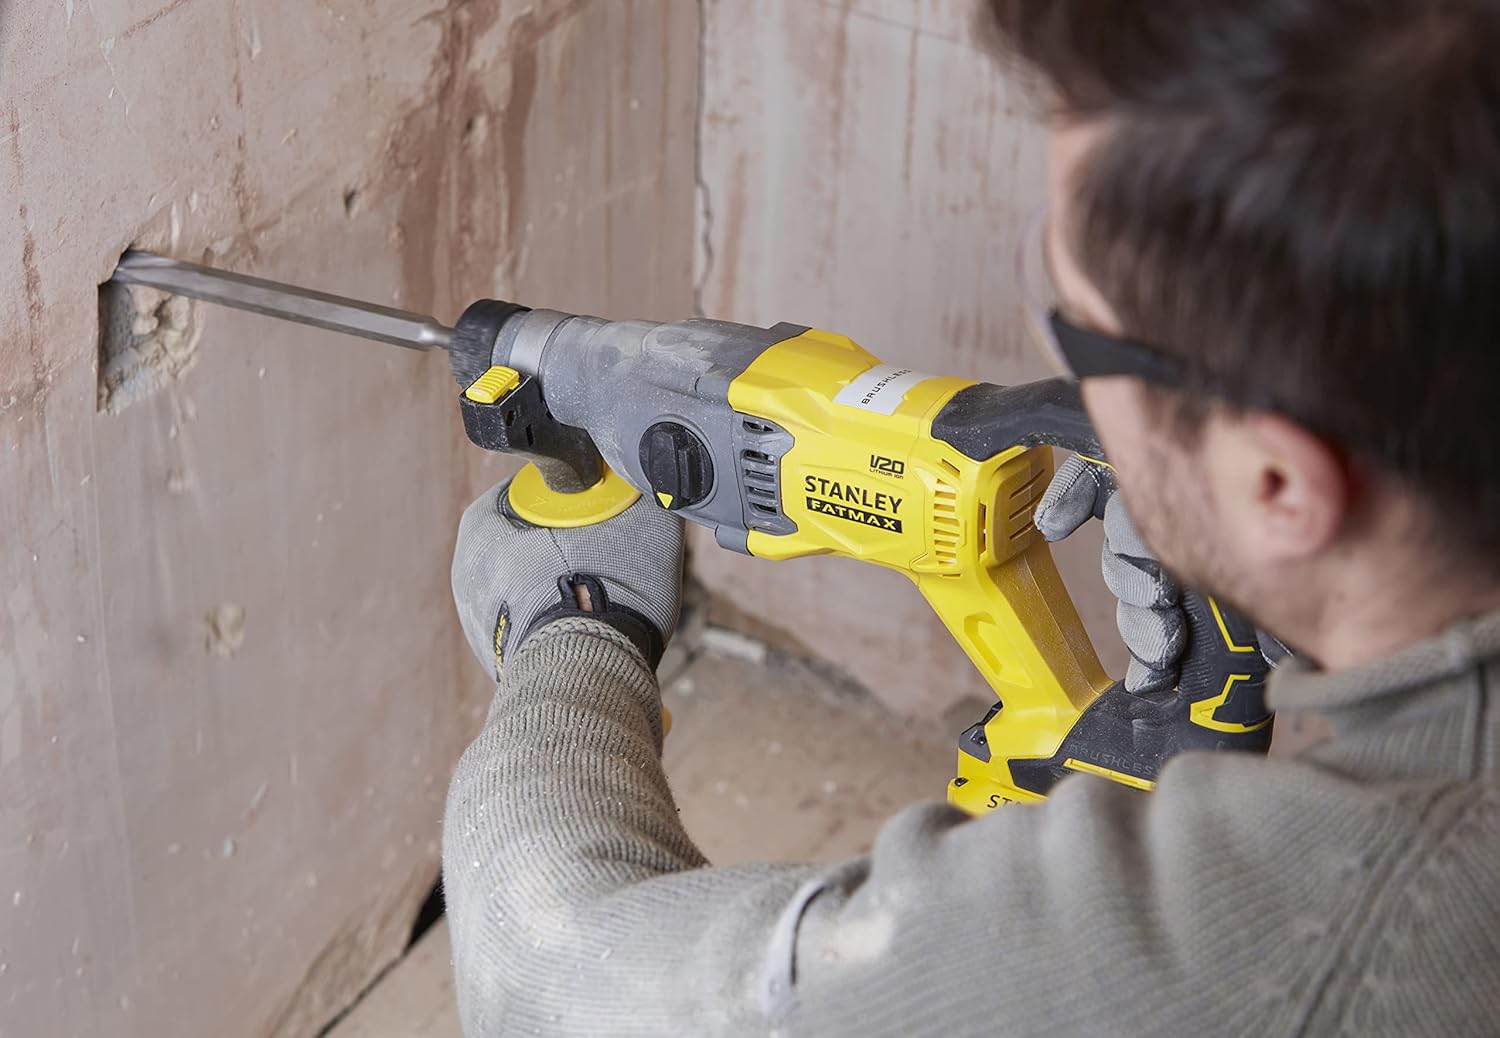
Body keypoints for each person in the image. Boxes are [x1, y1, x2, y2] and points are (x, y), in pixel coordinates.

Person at [443, 1, 1500, 1034]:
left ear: (1279, 484)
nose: (1062, 383)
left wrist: (574, 622)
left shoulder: (1271, 933)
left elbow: (545, 975)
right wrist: (1252, 554)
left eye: (1083, 340)